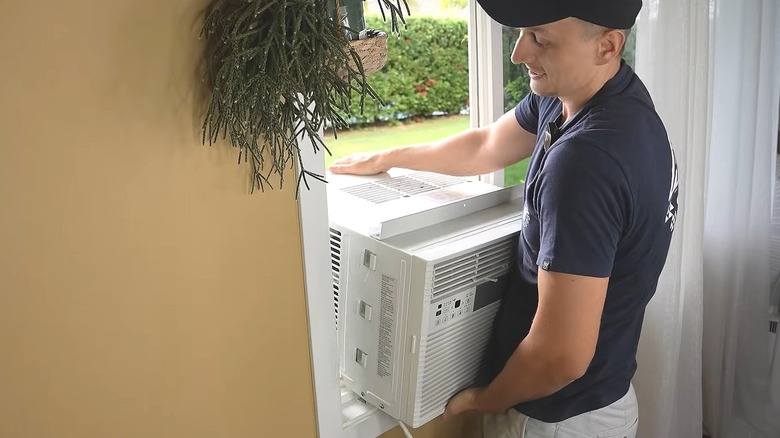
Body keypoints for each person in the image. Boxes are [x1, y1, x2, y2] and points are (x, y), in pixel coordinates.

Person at [330, 0, 678, 436]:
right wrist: (387, 157)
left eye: (541, 40)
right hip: (601, 397)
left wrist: (486, 399)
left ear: (607, 46)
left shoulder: (586, 161)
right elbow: (486, 145)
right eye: (522, 33)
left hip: (556, 419)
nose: (518, 54)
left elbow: (562, 356)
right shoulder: (599, 96)